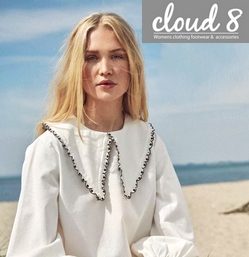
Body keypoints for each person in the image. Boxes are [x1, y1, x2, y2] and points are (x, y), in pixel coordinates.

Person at [7, 12, 199, 257]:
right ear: (76, 67)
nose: (105, 69)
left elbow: (177, 239)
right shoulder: (50, 147)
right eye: (91, 58)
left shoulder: (150, 144)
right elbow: (33, 248)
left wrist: (146, 250)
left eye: (117, 56)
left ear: (132, 65)